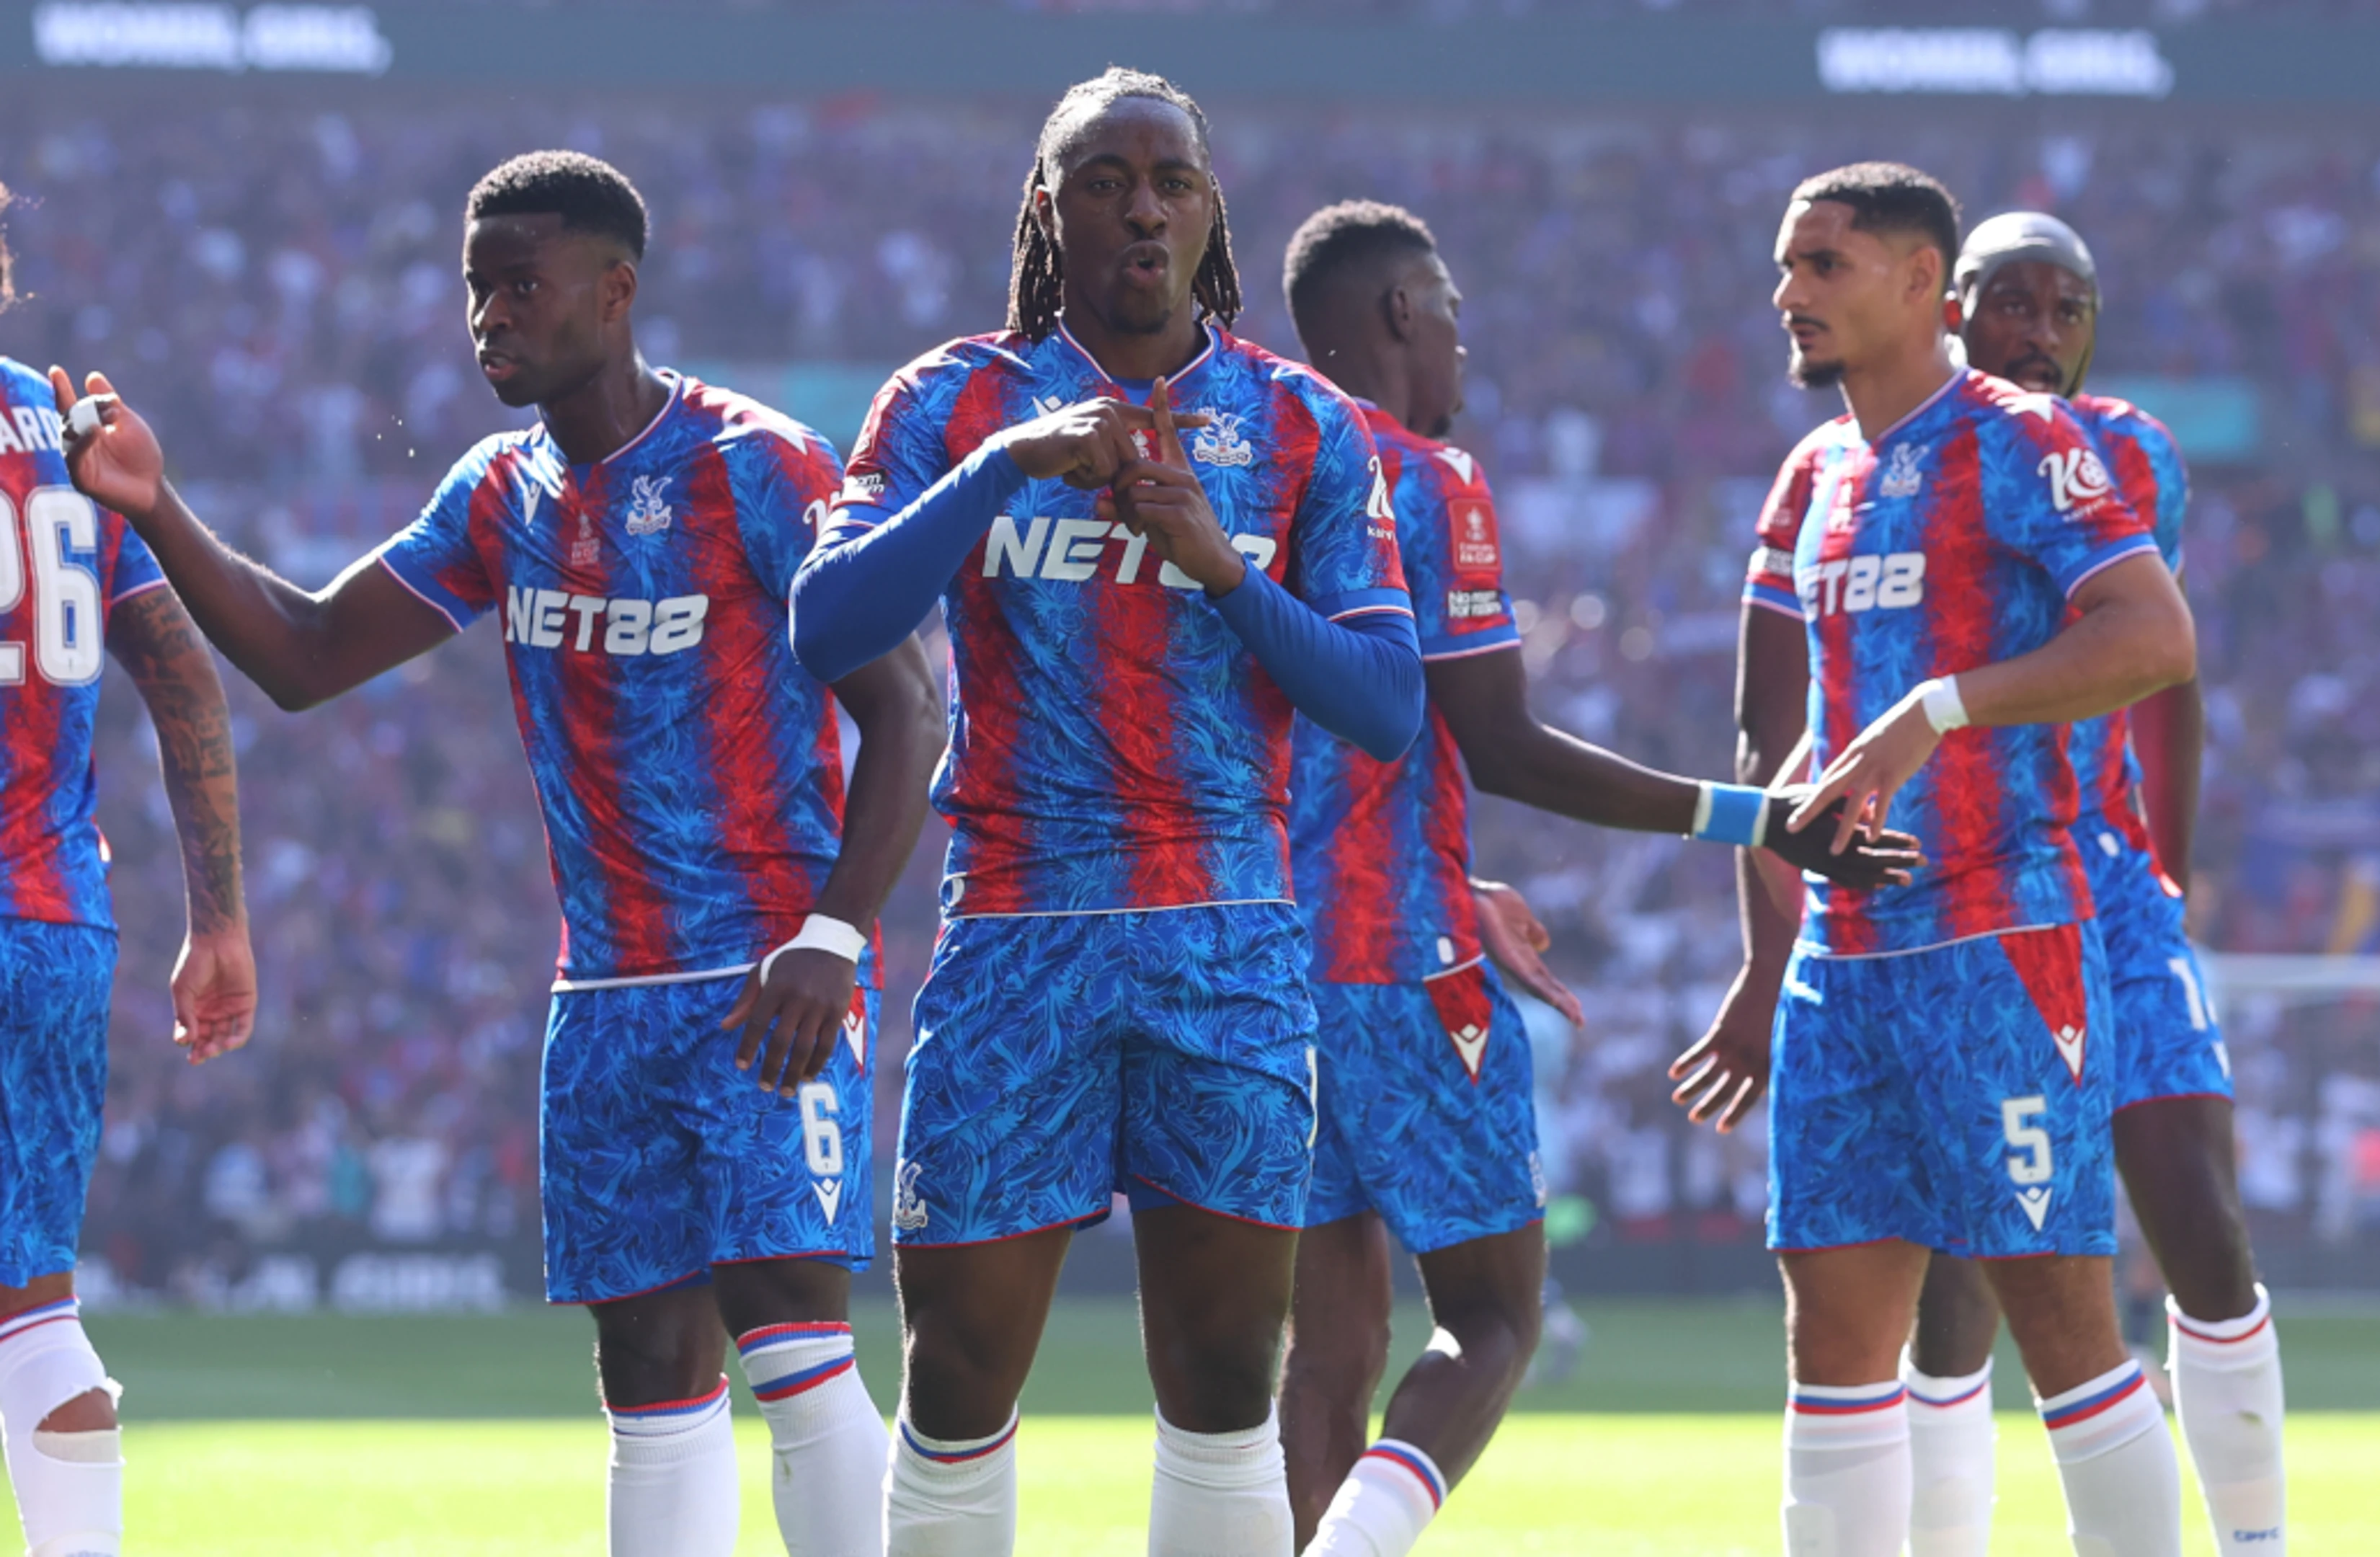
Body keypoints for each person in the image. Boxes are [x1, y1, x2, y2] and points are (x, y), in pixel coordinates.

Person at [53, 153, 936, 1557]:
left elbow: (909, 709)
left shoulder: (756, 467)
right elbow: (304, 653)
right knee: (648, 1381)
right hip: (601, 1004)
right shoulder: (499, 495)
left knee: (792, 1345)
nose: (490, 320)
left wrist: (834, 936)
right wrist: (153, 504)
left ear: (616, 291)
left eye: (520, 287)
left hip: (763, 979)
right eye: (477, 290)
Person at [782, 69, 1424, 1557]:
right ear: (1047, 208)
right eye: (1104, 178)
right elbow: (826, 626)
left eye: (1172, 180)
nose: (1142, 204)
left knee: (1218, 1380)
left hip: (1228, 946)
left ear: (1210, 211)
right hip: (1018, 934)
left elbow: (1388, 705)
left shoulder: (1304, 425)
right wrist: (1001, 471)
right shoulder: (952, 403)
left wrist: (1223, 565)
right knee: (953, 1371)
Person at [1269, 199, 1918, 1557]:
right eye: (1447, 312)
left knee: (1326, 1344)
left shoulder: (1244, 473)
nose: (1459, 345)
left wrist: (1458, 866)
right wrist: (1759, 818)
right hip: (1399, 957)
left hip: (1254, 968)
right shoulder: (1422, 477)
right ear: (1400, 314)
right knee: (1494, 1319)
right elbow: (1499, 741)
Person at [1665, 163, 2198, 1557]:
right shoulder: (1816, 471)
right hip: (1846, 970)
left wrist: (1934, 713)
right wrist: (1778, 872)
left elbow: (2155, 637)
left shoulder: (2021, 441)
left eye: (1823, 266)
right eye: (1785, 266)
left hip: (2001, 944)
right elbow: (1794, 737)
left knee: (2065, 1330)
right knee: (1834, 1344)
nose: (1789, 293)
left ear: (1922, 284)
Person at [1896, 210, 2286, 1557]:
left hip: (2107, 884)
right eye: (2014, 303)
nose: (2043, 334)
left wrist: (2168, 872)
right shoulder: (1898, 461)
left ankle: (2255, 1541)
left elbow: (2168, 672)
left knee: (2198, 1206)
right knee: (1969, 1275)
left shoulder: (2135, 456)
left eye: (2068, 309)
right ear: (1952, 310)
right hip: (1968, 892)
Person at [0, 180, 254, 1557]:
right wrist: (217, 916)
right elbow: (183, 676)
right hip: (50, 922)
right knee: (31, 1308)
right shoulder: (66, 437)